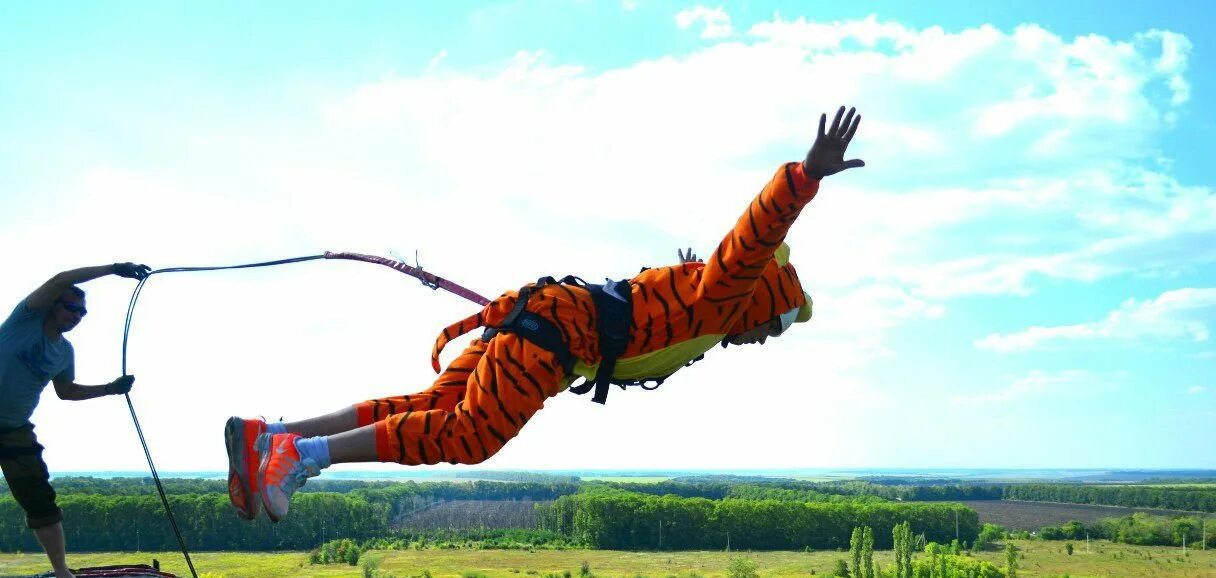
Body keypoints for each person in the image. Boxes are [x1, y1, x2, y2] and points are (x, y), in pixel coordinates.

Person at [226, 105, 865, 522]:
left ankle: (269, 431)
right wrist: (803, 177)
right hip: (551, 340)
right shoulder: (724, 296)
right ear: (763, 303)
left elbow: (658, 303)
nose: (759, 340)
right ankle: (300, 454)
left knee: (434, 408)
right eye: (771, 328)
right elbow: (752, 242)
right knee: (469, 438)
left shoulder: (705, 302)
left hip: (542, 321)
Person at [0, 262, 148, 578]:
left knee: (41, 500)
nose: (76, 316)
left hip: (12, 430)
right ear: (52, 304)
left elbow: (66, 391)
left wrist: (109, 389)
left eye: (82, 314)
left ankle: (63, 574)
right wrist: (115, 269)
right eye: (70, 307)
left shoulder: (64, 353)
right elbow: (61, 278)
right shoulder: (24, 321)